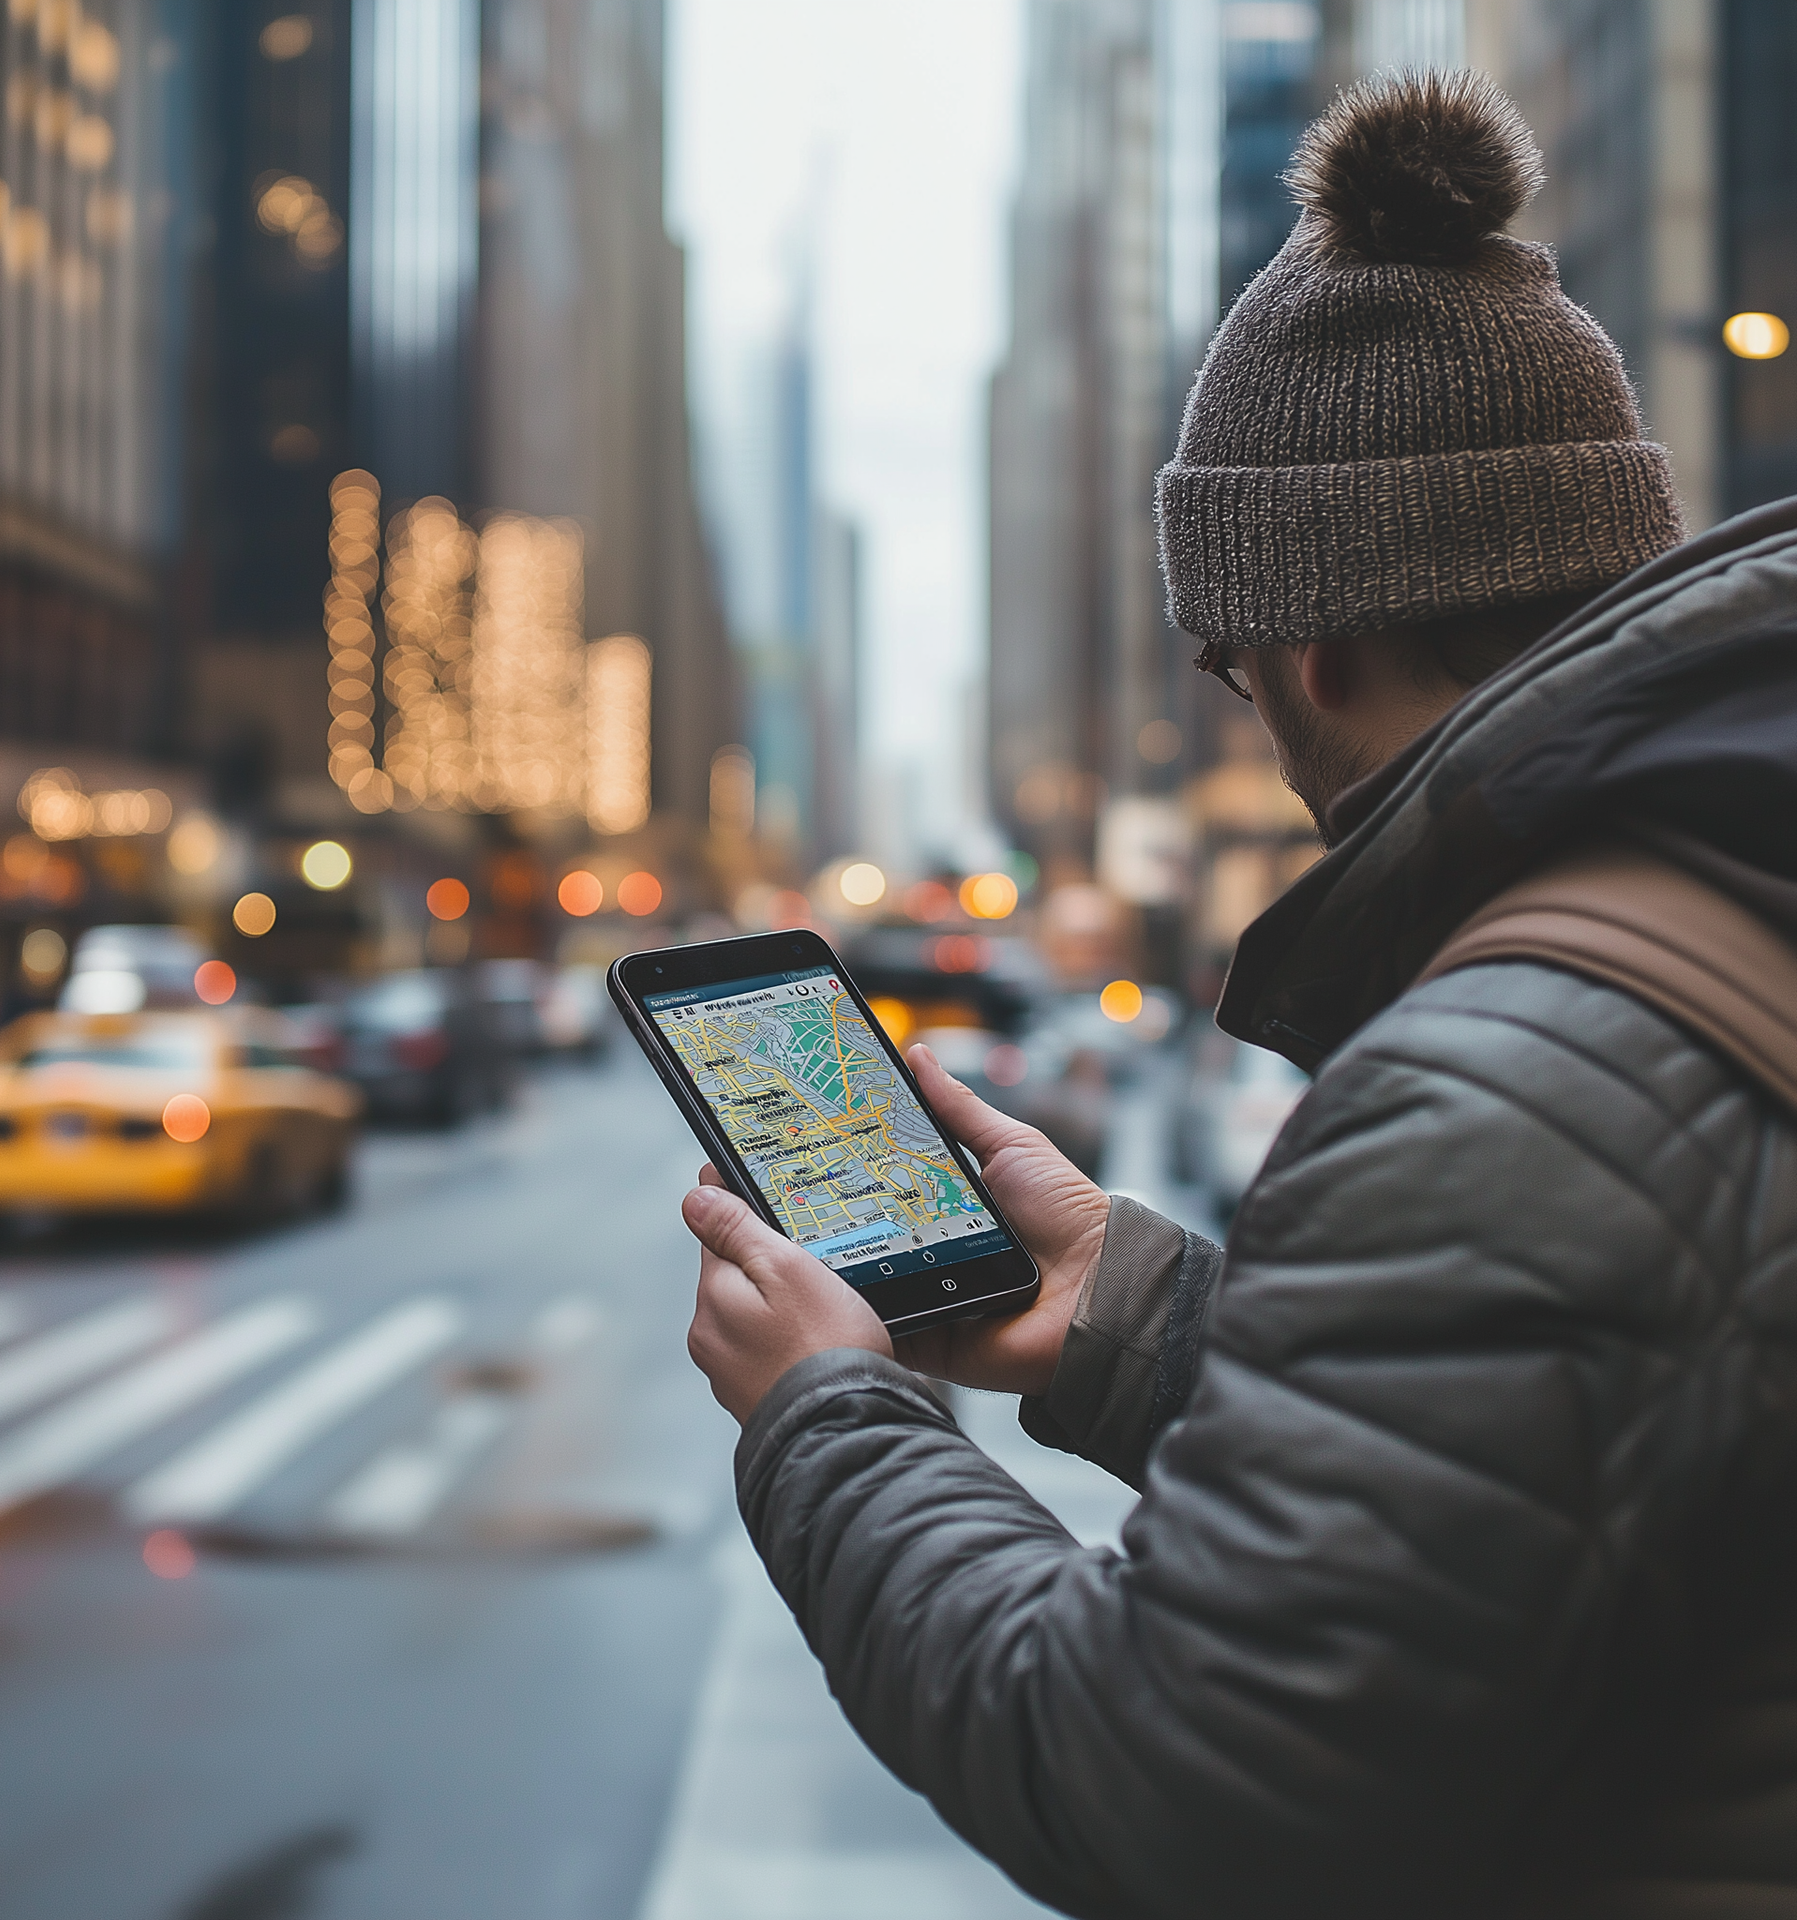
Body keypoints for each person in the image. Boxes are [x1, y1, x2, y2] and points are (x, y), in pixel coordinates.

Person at [680, 70, 1797, 1919]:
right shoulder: (1723, 882)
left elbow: (1168, 1791)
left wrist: (826, 1415)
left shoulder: (1514, 1078)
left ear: (1314, 638)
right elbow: (1584, 1427)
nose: (1252, 721)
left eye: (1231, 665)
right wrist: (1125, 1302)